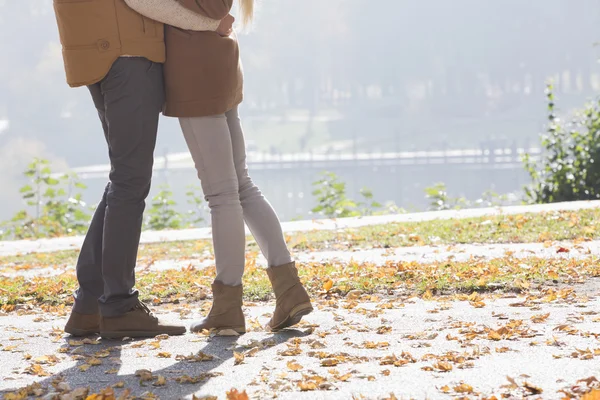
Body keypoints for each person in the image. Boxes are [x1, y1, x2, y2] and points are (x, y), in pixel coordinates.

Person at [125, 0, 313, 335]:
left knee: (222, 194)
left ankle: (227, 307)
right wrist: (213, 26)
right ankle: (289, 289)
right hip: (221, 62)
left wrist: (209, 25)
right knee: (241, 185)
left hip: (194, 70)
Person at [52, 0, 185, 339]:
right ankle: (119, 305)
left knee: (123, 177)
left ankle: (90, 304)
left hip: (98, 52)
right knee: (130, 180)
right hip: (126, 53)